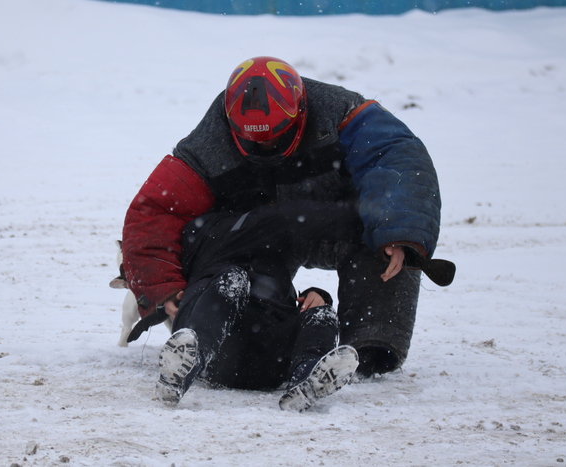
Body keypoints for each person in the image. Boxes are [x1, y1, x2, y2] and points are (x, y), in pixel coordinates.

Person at [122, 56, 442, 378]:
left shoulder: (342, 112)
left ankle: (368, 353)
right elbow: (156, 211)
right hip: (257, 240)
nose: (266, 145)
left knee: (390, 239)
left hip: (335, 224)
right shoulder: (208, 143)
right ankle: (238, 347)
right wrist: (162, 288)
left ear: (301, 110)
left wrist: (400, 232)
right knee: (239, 304)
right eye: (252, 139)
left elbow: (398, 160)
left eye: (276, 134)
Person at [157, 201, 362, 410]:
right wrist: (162, 293)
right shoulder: (205, 231)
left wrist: (316, 296)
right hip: (222, 348)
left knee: (322, 312)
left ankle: (308, 377)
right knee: (233, 279)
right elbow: (151, 248)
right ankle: (187, 365)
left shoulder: (276, 251)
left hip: (271, 356)